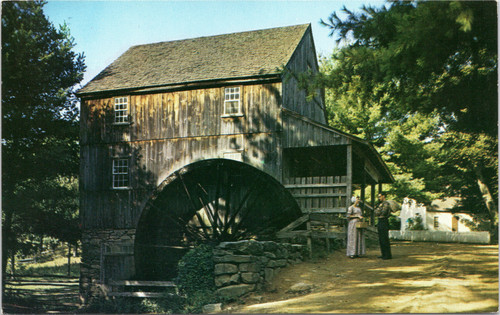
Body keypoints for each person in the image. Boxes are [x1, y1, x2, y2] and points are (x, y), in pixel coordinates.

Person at [374, 192, 392, 260]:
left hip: (384, 221)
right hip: (380, 220)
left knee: (384, 238)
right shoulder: (380, 204)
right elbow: (376, 212)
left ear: (383, 196)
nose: (379, 198)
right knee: (381, 238)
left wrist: (378, 211)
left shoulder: (386, 204)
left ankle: (387, 255)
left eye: (380, 196)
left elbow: (383, 212)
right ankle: (383, 254)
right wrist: (378, 211)